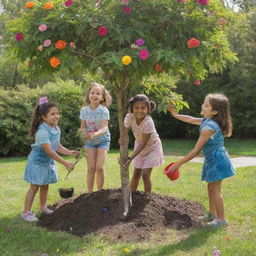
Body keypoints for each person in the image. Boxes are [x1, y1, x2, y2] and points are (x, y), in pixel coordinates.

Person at [167, 93, 235, 227]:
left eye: (206, 105)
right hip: (214, 159)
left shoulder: (208, 128)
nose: (202, 106)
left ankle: (221, 220)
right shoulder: (207, 120)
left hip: (217, 160)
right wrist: (175, 115)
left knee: (215, 189)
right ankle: (212, 214)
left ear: (215, 111)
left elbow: (196, 151)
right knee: (211, 188)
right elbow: (191, 119)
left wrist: (178, 164)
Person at [21, 97, 78, 222]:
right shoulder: (42, 132)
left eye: (57, 113)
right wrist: (65, 163)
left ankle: (43, 208)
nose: (56, 116)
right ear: (43, 117)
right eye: (52, 114)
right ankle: (26, 213)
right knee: (35, 186)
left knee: (45, 186)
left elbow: (56, 145)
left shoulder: (56, 129)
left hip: (46, 162)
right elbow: (49, 151)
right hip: (37, 162)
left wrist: (70, 152)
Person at [121, 94, 164, 193]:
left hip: (153, 147)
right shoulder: (130, 117)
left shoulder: (148, 122)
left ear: (148, 109)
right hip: (139, 146)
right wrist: (122, 139)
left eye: (143, 108)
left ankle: (147, 196)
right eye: (136, 108)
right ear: (132, 108)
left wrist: (131, 157)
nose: (139, 110)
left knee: (145, 174)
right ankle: (131, 195)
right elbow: (125, 131)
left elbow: (144, 143)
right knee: (136, 173)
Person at [79, 82, 112, 192]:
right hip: (90, 142)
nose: (95, 95)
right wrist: (84, 134)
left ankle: (99, 192)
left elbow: (104, 128)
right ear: (88, 94)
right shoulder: (84, 110)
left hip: (103, 140)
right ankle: (89, 193)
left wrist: (94, 134)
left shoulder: (104, 110)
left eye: (98, 93)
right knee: (91, 168)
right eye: (92, 93)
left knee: (99, 167)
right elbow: (83, 127)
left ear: (102, 97)